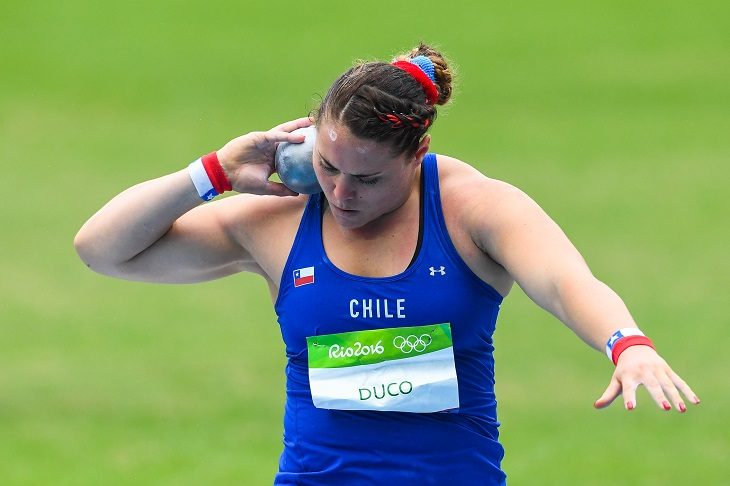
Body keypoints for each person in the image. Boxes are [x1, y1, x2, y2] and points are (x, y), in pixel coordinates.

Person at [74, 43, 699, 485]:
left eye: (367, 178)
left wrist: (627, 344)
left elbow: (566, 282)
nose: (342, 195)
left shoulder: (472, 209)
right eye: (328, 167)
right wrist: (210, 173)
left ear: (418, 151)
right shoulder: (281, 218)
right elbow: (102, 249)